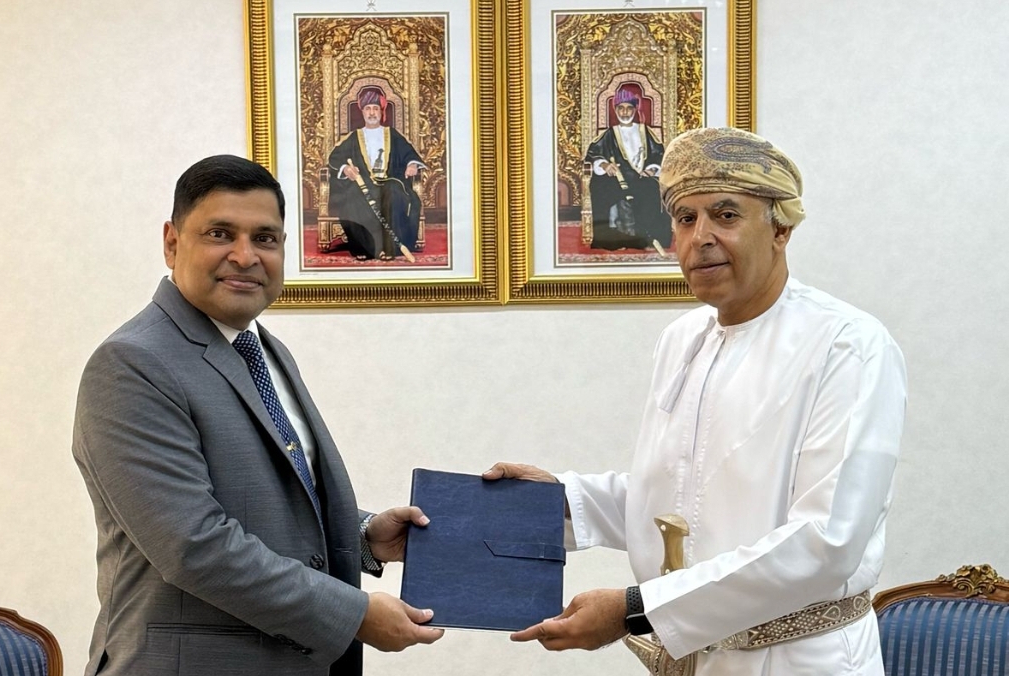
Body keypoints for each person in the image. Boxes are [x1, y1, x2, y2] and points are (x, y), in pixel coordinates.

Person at [488, 128, 907, 675]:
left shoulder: (847, 344)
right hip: (694, 659)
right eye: (685, 218)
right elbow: (683, 501)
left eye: (725, 215)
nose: (700, 236)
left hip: (801, 660)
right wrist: (560, 500)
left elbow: (827, 543)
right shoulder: (682, 340)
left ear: (781, 227)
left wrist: (637, 609)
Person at [72, 155, 443, 676]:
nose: (245, 256)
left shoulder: (264, 350)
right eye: (220, 234)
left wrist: (363, 536)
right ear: (171, 243)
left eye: (265, 238)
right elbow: (194, 545)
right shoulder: (132, 364)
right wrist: (354, 614)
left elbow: (270, 503)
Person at [328, 86, 425, 261]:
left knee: (393, 194)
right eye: (368, 108)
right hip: (363, 184)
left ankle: (390, 248)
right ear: (362, 112)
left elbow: (409, 154)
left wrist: (411, 164)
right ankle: (365, 248)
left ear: (381, 112)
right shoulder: (354, 137)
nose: (372, 113)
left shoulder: (392, 134)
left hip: (390, 181)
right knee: (351, 197)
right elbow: (335, 158)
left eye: (375, 108)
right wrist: (346, 169)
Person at [583, 82, 671, 253]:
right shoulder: (610, 133)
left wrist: (652, 169)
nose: (625, 112)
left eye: (629, 108)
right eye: (621, 108)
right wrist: (604, 165)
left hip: (642, 177)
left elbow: (659, 154)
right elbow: (593, 153)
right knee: (602, 188)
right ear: (616, 110)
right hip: (617, 179)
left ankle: (648, 236)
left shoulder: (645, 131)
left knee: (650, 189)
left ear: (635, 110)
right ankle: (611, 238)